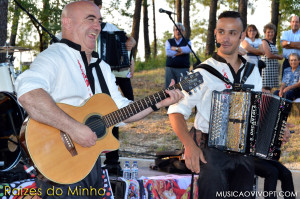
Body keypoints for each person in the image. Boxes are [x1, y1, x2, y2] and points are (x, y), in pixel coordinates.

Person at [14, 1, 183, 198]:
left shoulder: (102, 67)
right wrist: (73, 128)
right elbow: (28, 93)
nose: (97, 26)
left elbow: (121, 110)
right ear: (68, 23)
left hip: (90, 162)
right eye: (90, 19)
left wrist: (158, 102)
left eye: (99, 21)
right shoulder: (53, 57)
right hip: (59, 166)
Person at [168, 11, 262, 198]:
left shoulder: (253, 72)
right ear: (215, 33)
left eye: (232, 33)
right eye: (221, 32)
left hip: (244, 155)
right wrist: (190, 145)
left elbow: (257, 110)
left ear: (242, 36)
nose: (225, 38)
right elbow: (175, 110)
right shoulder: (200, 72)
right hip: (211, 154)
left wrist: (275, 131)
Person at [92, 0, 136, 176]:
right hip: (89, 76)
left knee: (115, 113)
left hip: (114, 73)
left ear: (100, 7)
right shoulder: (78, 28)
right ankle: (95, 160)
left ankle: (112, 161)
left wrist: (130, 43)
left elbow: (129, 40)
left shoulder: (110, 28)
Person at [254, 128, 296, 199]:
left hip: (262, 155)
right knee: (272, 171)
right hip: (245, 156)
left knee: (286, 174)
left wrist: (281, 130)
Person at [165, 22, 192, 89]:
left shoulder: (187, 41)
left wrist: (176, 48)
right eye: (176, 30)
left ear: (183, 31)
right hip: (170, 69)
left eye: (180, 30)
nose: (178, 31)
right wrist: (181, 52)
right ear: (174, 31)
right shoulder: (169, 41)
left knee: (184, 89)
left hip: (183, 69)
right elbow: (168, 52)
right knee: (170, 89)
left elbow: (188, 50)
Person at [261, 23, 283, 91]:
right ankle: (263, 101)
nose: (270, 33)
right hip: (266, 67)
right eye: (268, 32)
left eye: (272, 32)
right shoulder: (264, 41)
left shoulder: (272, 42)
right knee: (265, 88)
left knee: (270, 88)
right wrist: (279, 57)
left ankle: (268, 101)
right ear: (265, 32)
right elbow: (268, 55)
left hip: (272, 68)